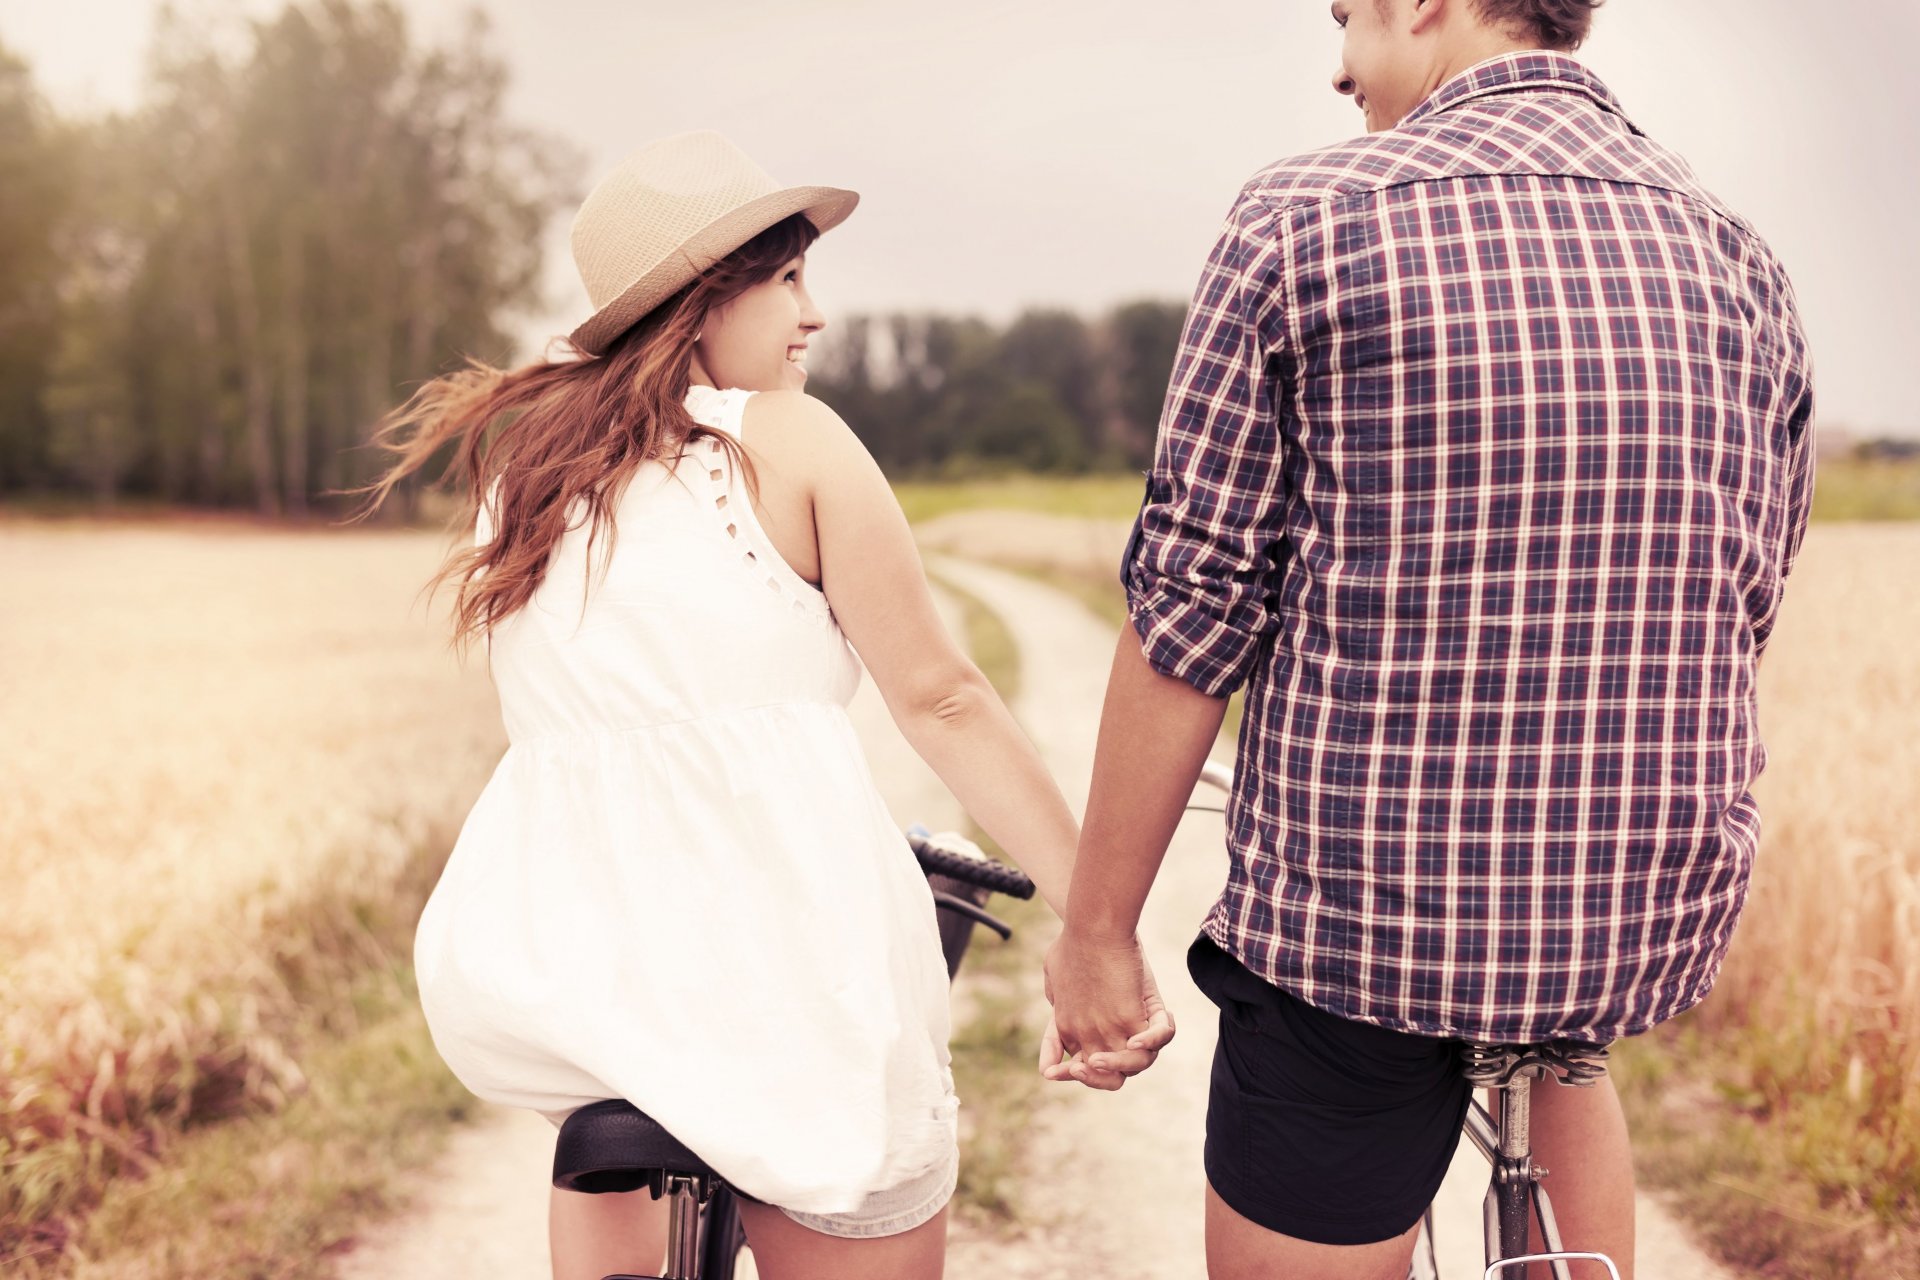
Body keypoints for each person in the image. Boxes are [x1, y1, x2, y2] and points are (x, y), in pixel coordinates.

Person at [1041, 2, 1815, 1279]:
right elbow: (1746, 593)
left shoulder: (1306, 219)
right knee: (1565, 1042)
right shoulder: (1740, 255)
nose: (1338, 63)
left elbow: (1193, 604)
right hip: (1629, 925)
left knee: (1342, 1020)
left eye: (1348, 15)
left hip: (1365, 927)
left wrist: (1098, 935)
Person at [351, 131, 1169, 1280]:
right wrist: (1098, 922)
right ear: (699, 302)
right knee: (857, 1158)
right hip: (780, 961)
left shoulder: (521, 471)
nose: (814, 312)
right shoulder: (788, 437)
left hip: (566, 964)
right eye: (786, 277)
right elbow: (940, 696)